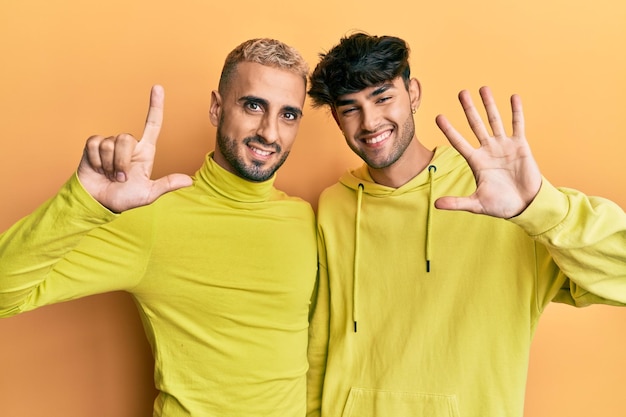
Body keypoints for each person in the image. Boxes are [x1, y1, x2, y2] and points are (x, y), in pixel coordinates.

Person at [306, 32, 626, 417]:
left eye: (383, 97)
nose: (370, 121)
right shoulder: (334, 206)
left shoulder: (499, 198)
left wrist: (539, 207)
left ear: (414, 93)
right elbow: (320, 345)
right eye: (350, 108)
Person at [0, 38, 317, 417]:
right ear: (217, 108)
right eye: (253, 106)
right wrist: (85, 200)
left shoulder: (304, 219)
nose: (269, 132)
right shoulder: (153, 218)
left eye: (288, 115)